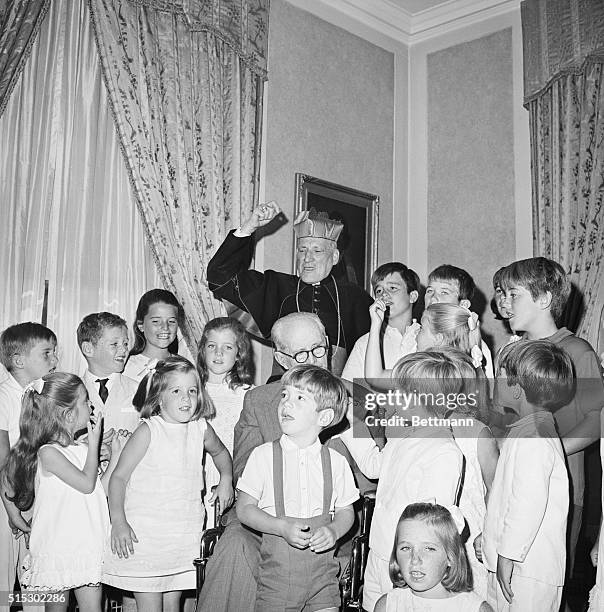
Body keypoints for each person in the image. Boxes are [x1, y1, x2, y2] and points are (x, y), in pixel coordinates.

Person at [197, 312, 379, 612]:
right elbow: (244, 474)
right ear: (282, 358)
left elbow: (374, 473)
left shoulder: (354, 396)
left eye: (319, 349)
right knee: (235, 545)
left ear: (329, 345)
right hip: (266, 524)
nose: (313, 360)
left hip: (333, 528)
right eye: (300, 354)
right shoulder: (260, 401)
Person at [496, 257, 604, 586]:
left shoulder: (575, 351)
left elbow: (598, 419)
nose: (504, 303)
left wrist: (550, 449)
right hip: (513, 485)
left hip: (561, 491)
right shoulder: (514, 355)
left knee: (543, 585)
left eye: (514, 295)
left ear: (544, 299)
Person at [103, 356, 233, 612]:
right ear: (159, 397)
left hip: (182, 534)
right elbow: (118, 478)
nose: (186, 398)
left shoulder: (200, 429)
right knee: (150, 605)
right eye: (176, 391)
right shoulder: (149, 430)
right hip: (147, 536)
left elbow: (220, 453)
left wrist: (226, 478)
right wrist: (118, 521)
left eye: (192, 391)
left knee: (172, 604)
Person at [346, 351, 467, 612]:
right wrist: (346, 423)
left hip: (408, 565)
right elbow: (375, 467)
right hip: (380, 554)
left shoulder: (444, 451)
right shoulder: (404, 437)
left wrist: (412, 565)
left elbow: (433, 523)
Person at [236, 364, 359, 611]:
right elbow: (245, 509)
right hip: (278, 581)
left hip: (323, 579)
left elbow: (347, 512)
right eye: (285, 395)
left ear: (323, 417)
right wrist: (280, 527)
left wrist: (334, 531)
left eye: (299, 397)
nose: (286, 404)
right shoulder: (263, 456)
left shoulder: (336, 462)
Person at [206, 202, 373, 374]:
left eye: (317, 251)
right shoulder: (277, 286)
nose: (307, 258)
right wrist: (249, 227)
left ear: (335, 256)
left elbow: (372, 362)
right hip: (285, 392)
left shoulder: (356, 298)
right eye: (302, 250)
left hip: (335, 393)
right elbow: (218, 278)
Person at [1, 373, 118, 612]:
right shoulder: (48, 453)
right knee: (56, 607)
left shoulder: (81, 449)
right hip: (60, 546)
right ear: (68, 415)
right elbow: (86, 483)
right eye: (86, 401)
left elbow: (97, 491)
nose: (92, 406)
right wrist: (95, 445)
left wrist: (115, 456)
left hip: (87, 544)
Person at [483, 340, 574, 611]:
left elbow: (527, 502)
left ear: (518, 389)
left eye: (501, 374)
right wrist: (488, 538)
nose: (496, 380)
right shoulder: (526, 430)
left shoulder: (535, 436)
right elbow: (507, 498)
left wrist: (507, 554)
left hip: (530, 568)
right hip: (517, 563)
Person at [0, 322, 58, 611]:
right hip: (5, 500)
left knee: (37, 580)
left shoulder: (44, 398)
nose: (55, 360)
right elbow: (2, 460)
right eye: (47, 353)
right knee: (2, 582)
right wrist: (12, 510)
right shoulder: (3, 398)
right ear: (19, 361)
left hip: (35, 498)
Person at [375, 503, 493, 612]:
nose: (415, 560)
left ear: (450, 557)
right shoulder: (387, 606)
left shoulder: (474, 609)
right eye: (406, 548)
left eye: (428, 549)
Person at [197, 316, 255, 525]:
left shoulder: (248, 395)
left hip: (233, 479)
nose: (218, 353)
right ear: (203, 350)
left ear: (239, 354)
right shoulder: (190, 391)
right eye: (212, 345)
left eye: (227, 347)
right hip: (195, 477)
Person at [342, 262, 420, 382]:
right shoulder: (365, 342)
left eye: (392, 288)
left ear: (412, 296)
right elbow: (348, 389)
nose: (384, 295)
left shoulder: (426, 337)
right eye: (379, 291)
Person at [425, 264, 494, 377]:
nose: (432, 297)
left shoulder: (475, 345)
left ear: (463, 304)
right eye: (429, 291)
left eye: (444, 292)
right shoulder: (415, 337)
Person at [77, 312, 140, 433]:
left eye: (125, 343)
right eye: (114, 344)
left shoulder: (138, 390)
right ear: (88, 349)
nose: (124, 350)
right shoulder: (71, 392)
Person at [123, 289, 187, 383]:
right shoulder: (126, 367)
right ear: (141, 325)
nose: (165, 327)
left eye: (171, 321)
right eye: (156, 321)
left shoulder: (184, 366)